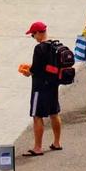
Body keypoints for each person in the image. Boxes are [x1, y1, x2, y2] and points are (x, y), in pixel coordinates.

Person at [24, 21, 62, 156]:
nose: (33, 38)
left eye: (33, 35)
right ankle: (57, 142)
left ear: (39, 33)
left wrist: (28, 71)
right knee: (54, 113)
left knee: (37, 115)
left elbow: (35, 69)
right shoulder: (55, 45)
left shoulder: (39, 48)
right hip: (53, 85)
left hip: (39, 86)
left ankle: (38, 147)